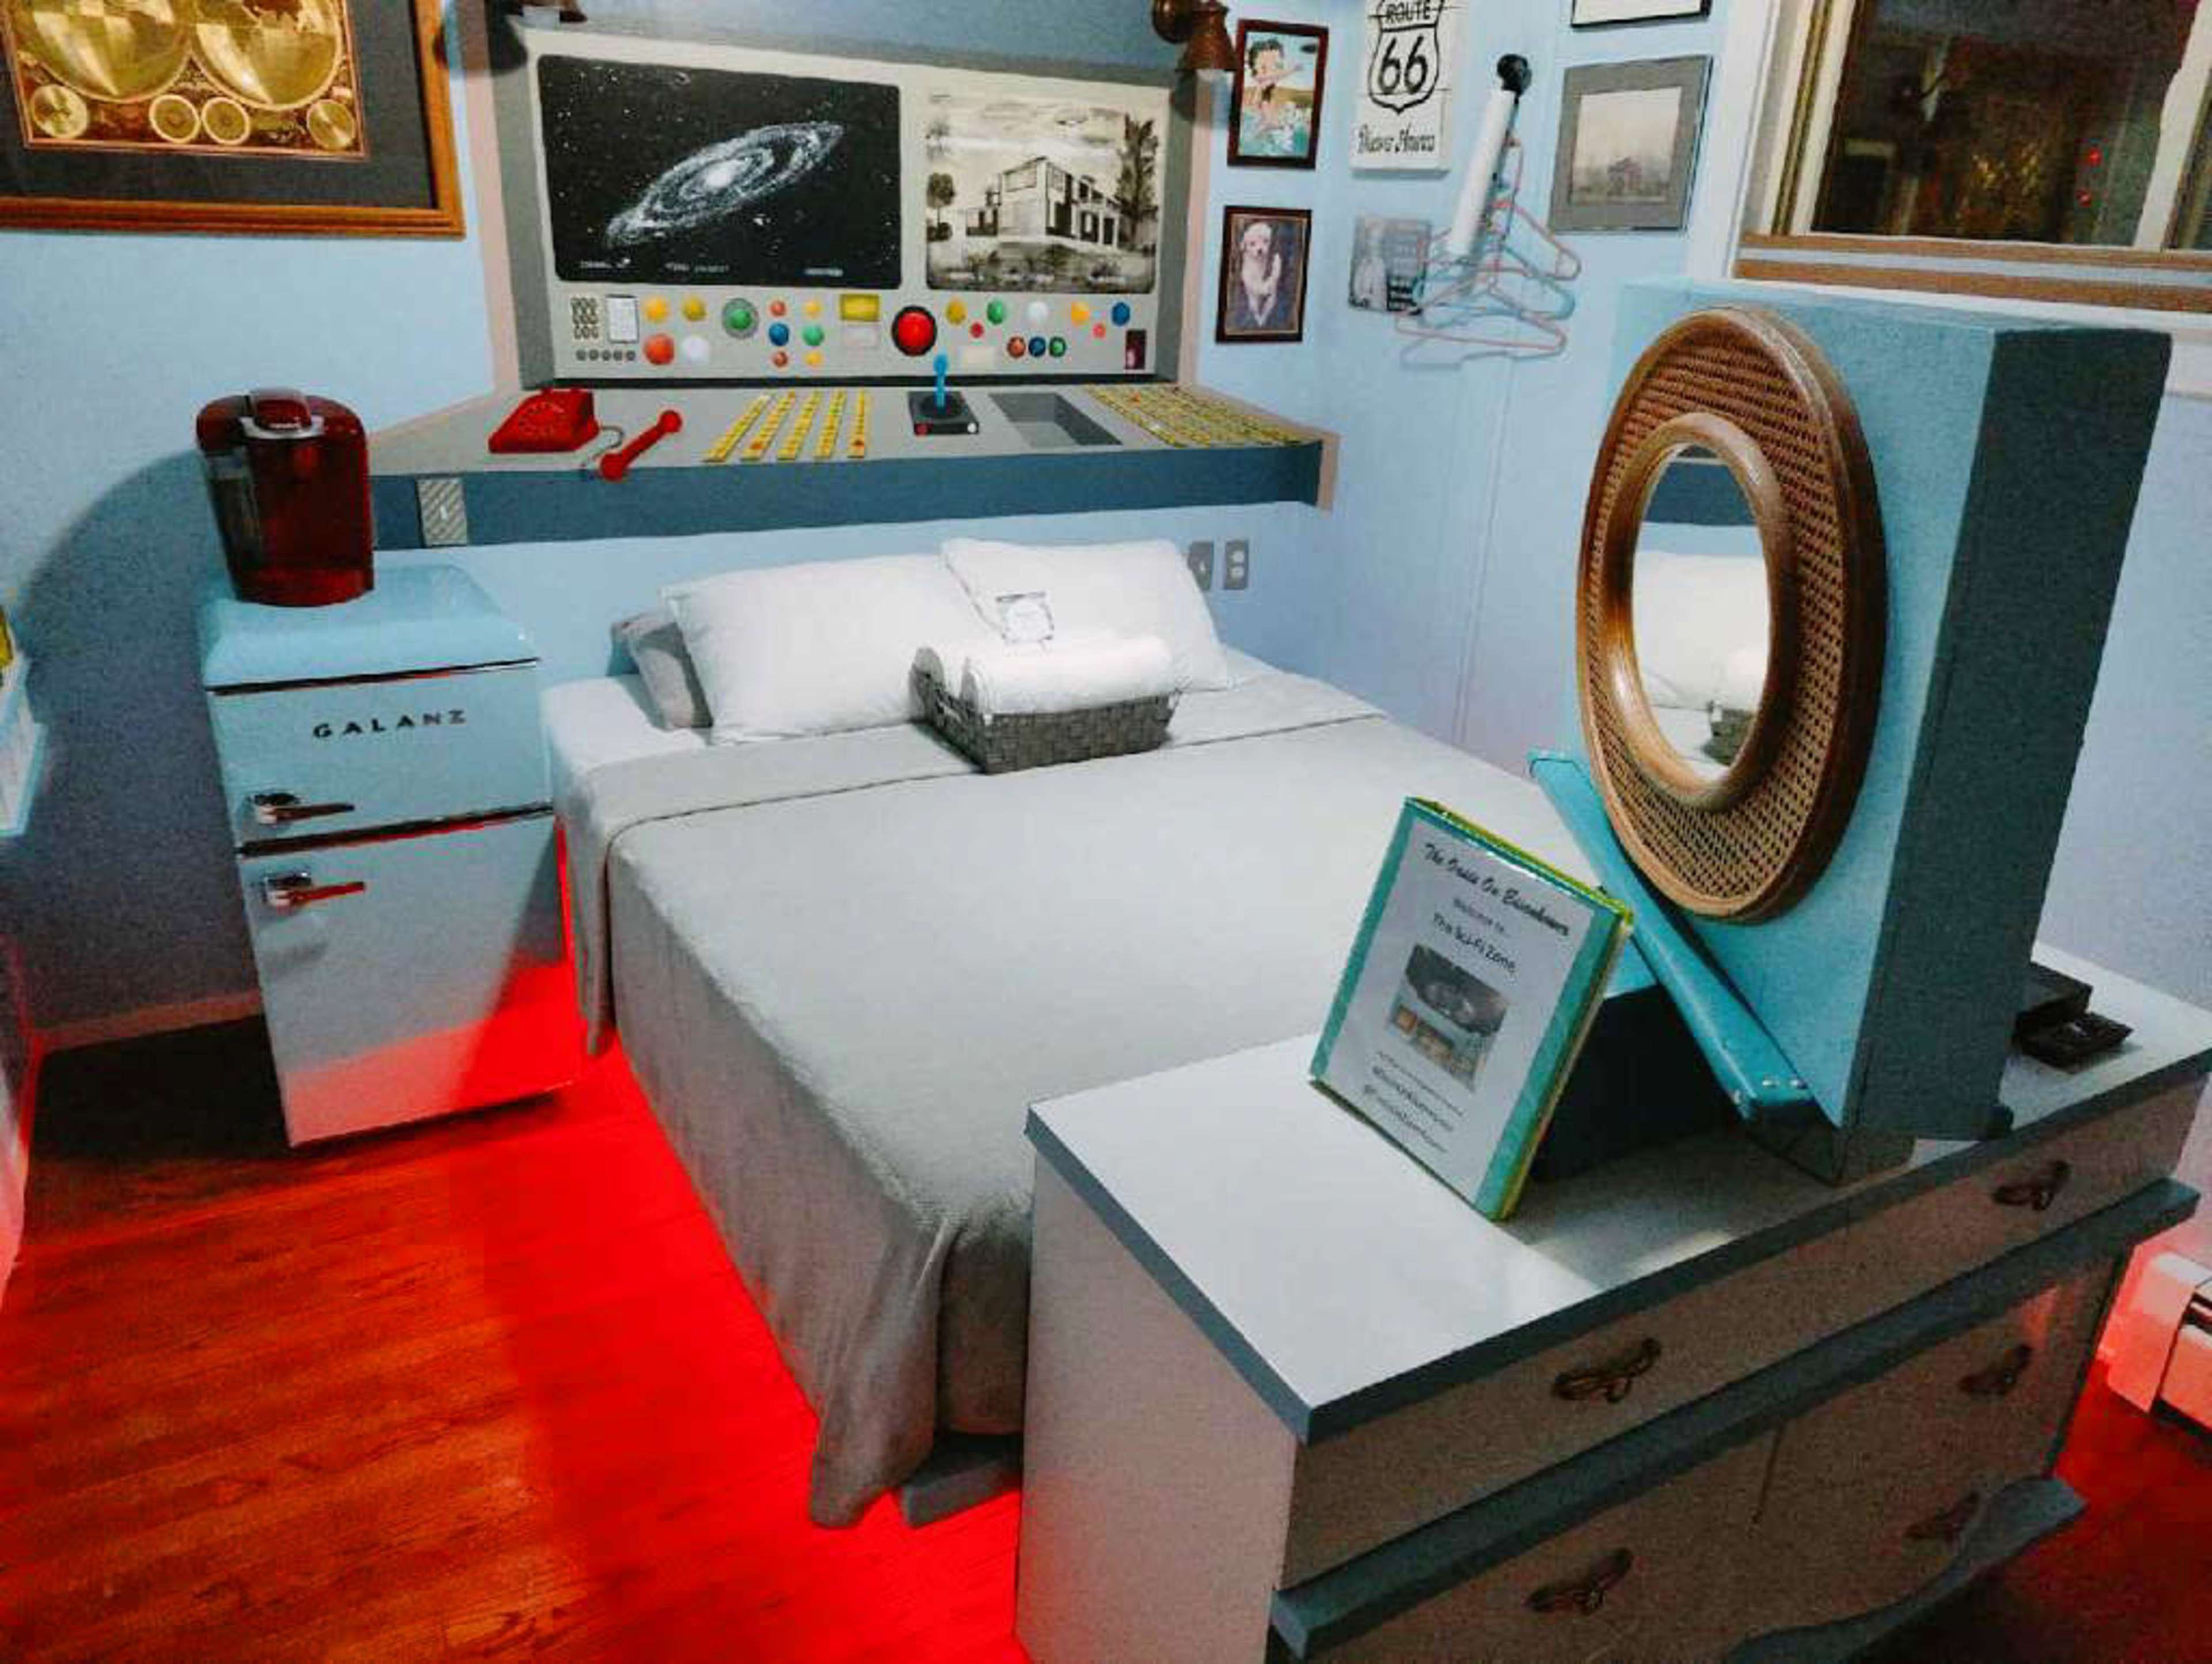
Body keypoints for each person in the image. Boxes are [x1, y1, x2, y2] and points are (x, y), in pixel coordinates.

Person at [1228, 217, 1295, 333]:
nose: (1260, 248)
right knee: (1253, 306)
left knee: (1270, 304)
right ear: (1245, 247)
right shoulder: (1247, 262)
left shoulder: (1275, 258)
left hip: (1270, 290)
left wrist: (1271, 282)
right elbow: (1247, 280)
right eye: (1252, 244)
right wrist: (1259, 290)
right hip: (1254, 291)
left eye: (1265, 242)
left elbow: (1275, 275)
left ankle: (1263, 318)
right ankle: (1258, 319)